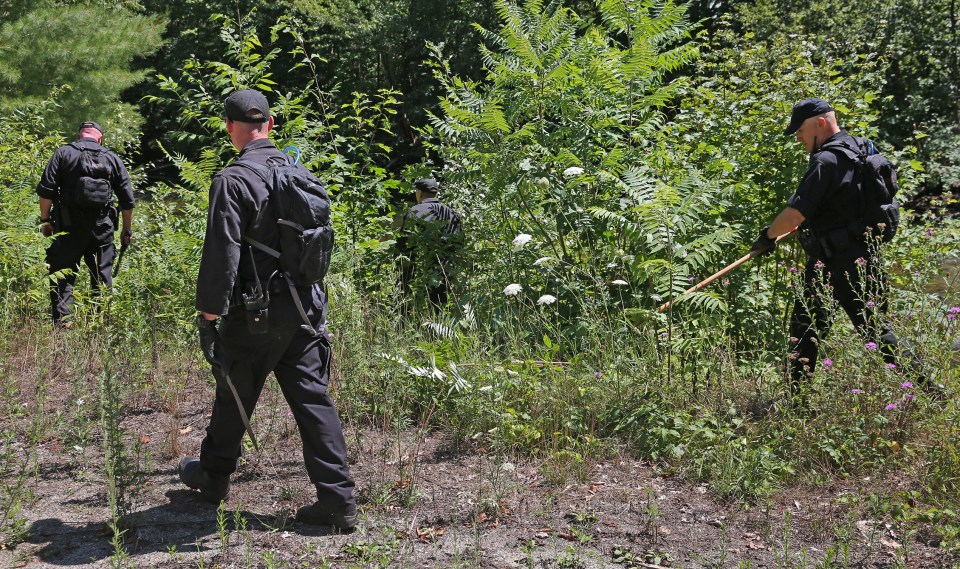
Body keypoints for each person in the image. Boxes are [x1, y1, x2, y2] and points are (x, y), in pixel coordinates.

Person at [178, 89, 356, 530]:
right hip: (307, 306)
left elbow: (222, 253)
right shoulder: (299, 170)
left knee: (233, 393)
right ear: (270, 125)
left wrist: (208, 315)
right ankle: (337, 501)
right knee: (314, 401)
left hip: (255, 313)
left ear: (228, 127)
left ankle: (214, 477)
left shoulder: (232, 180)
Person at [751, 97, 908, 396]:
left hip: (837, 263)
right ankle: (797, 403)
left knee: (816, 331)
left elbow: (795, 213)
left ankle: (930, 394)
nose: (797, 136)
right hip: (862, 258)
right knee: (812, 329)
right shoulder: (861, 148)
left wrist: (768, 236)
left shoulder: (826, 161)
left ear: (820, 123)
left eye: (799, 129)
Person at [36, 121, 134, 325]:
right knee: (101, 277)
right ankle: (98, 324)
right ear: (100, 138)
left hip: (69, 228)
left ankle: (64, 324)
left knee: (62, 274)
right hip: (103, 229)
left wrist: (45, 220)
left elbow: (46, 191)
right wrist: (126, 230)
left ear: (79, 136)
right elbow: (127, 201)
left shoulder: (63, 153)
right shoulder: (112, 158)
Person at [396, 177, 463, 307]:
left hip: (420, 273)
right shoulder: (451, 213)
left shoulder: (414, 212)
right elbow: (459, 243)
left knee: (409, 307)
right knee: (442, 310)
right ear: (435, 193)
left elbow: (404, 246)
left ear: (419, 192)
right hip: (447, 271)